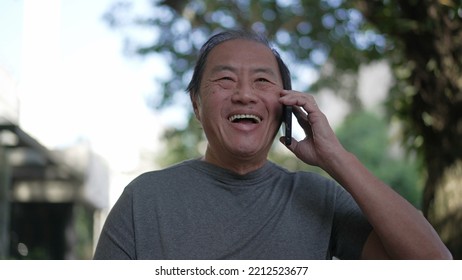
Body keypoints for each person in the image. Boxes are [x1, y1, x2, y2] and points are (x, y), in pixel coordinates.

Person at [93, 29, 452, 260]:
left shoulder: (320, 198)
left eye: (263, 81)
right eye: (225, 79)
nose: (245, 94)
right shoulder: (144, 199)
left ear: (286, 105)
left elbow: (434, 264)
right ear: (196, 106)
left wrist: (336, 158)